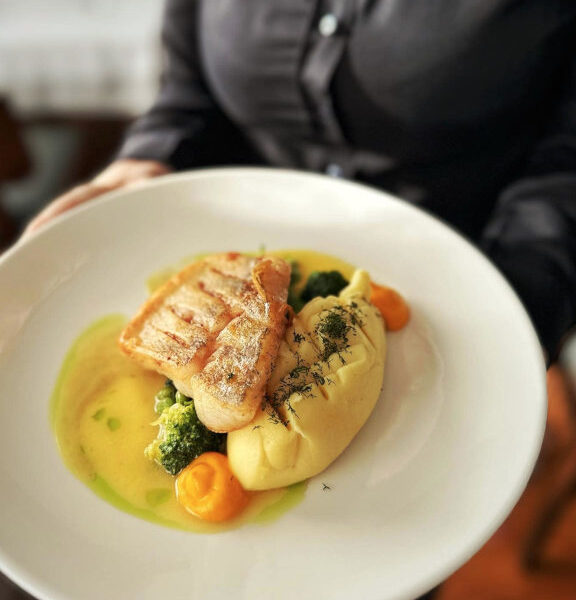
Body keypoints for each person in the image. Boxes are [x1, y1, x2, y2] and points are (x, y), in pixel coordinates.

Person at [24, 0, 576, 363]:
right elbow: (191, 93)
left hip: (465, 292)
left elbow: (565, 168)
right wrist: (148, 161)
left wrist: (511, 320)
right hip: (231, 276)